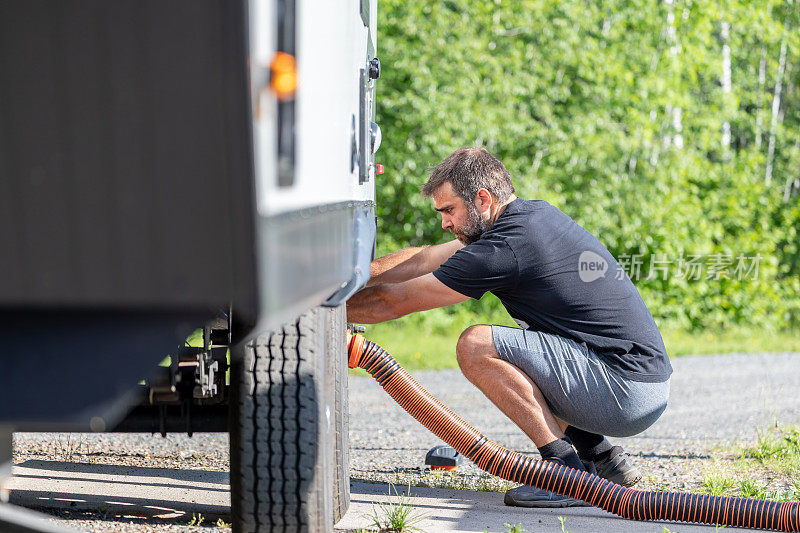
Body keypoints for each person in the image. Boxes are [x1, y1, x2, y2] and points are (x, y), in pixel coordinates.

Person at [346, 147, 672, 508]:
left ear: (482, 199)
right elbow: (423, 258)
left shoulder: (505, 247)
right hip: (638, 382)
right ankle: (604, 459)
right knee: (526, 352)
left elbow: (391, 302)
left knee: (476, 344)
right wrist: (355, 275)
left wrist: (321, 308)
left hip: (626, 390)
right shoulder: (529, 217)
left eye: (449, 210)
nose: (444, 223)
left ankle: (565, 474)